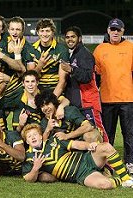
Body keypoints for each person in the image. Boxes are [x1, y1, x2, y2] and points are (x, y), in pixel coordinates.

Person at [21, 123, 133, 189]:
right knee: (105, 185)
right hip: (81, 175)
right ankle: (120, 181)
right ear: (27, 141)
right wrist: (36, 168)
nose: (33, 137)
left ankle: (126, 178)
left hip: (87, 159)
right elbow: (28, 179)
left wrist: (89, 145)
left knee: (106, 147)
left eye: (35, 134)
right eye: (29, 136)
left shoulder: (54, 141)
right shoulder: (29, 157)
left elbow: (75, 144)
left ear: (41, 136)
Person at [93, 18, 133, 173]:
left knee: (129, 133)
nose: (115, 32)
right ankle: (108, 163)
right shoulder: (100, 49)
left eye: (118, 30)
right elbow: (95, 76)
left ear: (123, 31)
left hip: (128, 99)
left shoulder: (130, 47)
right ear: (108, 30)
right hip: (107, 99)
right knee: (107, 134)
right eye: (113, 29)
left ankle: (130, 162)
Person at [61, 26, 108, 142]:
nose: (70, 39)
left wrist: (71, 70)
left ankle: (109, 157)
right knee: (87, 133)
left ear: (80, 38)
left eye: (73, 37)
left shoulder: (84, 54)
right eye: (67, 37)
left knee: (98, 131)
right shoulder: (74, 54)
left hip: (89, 101)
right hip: (81, 102)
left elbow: (87, 77)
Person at [35, 91, 102, 143]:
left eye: (47, 104)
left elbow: (88, 126)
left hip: (81, 138)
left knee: (89, 136)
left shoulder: (69, 111)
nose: (45, 108)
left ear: (53, 103)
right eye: (42, 106)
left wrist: (67, 136)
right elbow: (42, 143)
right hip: (66, 146)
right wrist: (47, 129)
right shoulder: (44, 122)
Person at [30, 18, 68, 97]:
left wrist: (52, 99)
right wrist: (40, 65)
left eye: (47, 31)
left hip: (55, 90)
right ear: (37, 32)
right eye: (42, 31)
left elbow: (62, 81)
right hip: (36, 90)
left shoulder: (62, 50)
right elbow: (30, 78)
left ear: (53, 32)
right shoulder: (31, 49)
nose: (44, 34)